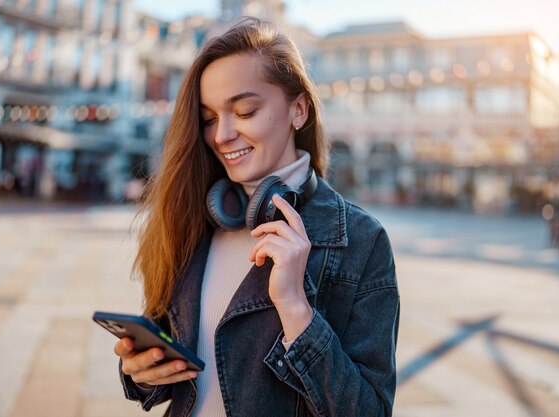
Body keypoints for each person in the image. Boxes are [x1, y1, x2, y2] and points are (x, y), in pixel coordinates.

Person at [114, 17, 400, 417]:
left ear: (298, 109)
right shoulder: (195, 216)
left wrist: (296, 308)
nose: (221, 135)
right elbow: (170, 358)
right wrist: (141, 371)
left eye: (245, 111)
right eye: (210, 118)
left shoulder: (361, 240)